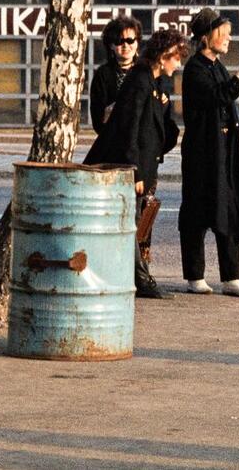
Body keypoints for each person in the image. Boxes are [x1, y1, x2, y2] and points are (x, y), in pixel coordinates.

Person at [85, 27, 189, 299]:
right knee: (129, 223)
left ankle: (136, 277)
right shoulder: (141, 80)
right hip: (130, 166)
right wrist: (135, 171)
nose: (178, 64)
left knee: (133, 222)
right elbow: (129, 127)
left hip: (144, 164)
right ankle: (140, 280)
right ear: (165, 55)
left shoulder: (153, 81)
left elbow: (153, 127)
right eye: (176, 58)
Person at [178, 8, 239, 298]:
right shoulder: (195, 69)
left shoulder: (215, 66)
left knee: (229, 209)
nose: (228, 38)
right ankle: (194, 275)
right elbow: (221, 96)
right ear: (205, 37)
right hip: (203, 154)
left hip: (224, 151)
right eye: (222, 33)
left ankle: (231, 277)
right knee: (198, 213)